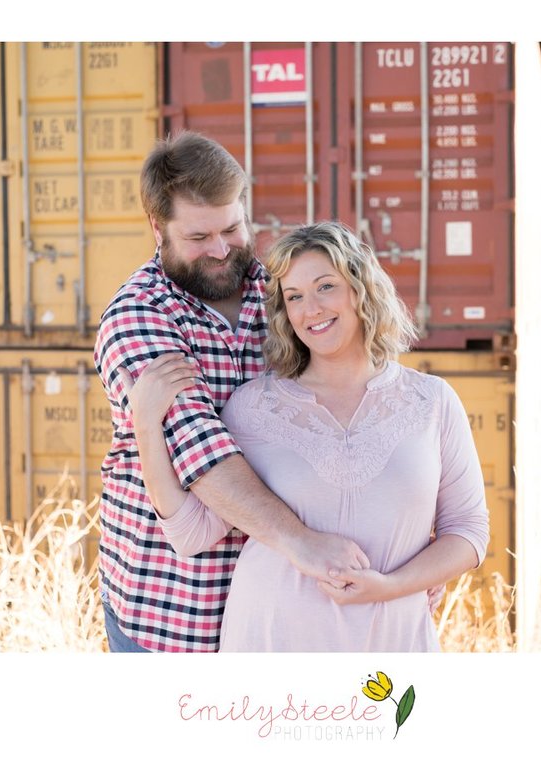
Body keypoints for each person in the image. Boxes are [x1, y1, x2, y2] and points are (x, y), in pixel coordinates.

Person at [130, 221, 489, 651]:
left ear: (360, 288)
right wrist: (146, 425)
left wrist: (391, 586)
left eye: (325, 287)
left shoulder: (431, 401)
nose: (311, 309)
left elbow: (468, 532)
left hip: (391, 640)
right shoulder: (253, 407)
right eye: (295, 297)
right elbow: (191, 532)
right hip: (269, 642)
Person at [94, 132, 369, 653]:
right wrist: (301, 542)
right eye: (198, 237)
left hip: (283, 607)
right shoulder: (138, 317)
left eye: (232, 228)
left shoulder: (281, 292)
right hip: (177, 608)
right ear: (158, 228)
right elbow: (199, 452)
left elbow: (349, 399)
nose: (221, 250)